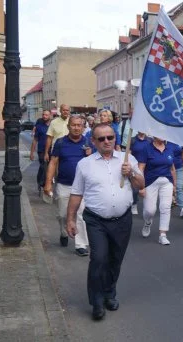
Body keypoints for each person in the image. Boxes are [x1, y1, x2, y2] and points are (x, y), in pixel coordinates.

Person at [66, 123, 144, 321]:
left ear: (115, 138)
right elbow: (76, 193)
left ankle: (110, 293)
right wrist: (71, 219)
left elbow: (141, 185)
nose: (107, 141)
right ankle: (97, 301)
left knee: (115, 260)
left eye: (110, 137)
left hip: (122, 220)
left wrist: (132, 173)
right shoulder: (85, 164)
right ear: (93, 141)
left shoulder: (128, 160)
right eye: (101, 138)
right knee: (99, 259)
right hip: (96, 221)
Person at [43, 115, 91, 255]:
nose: (76, 128)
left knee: (81, 215)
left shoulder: (89, 142)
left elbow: (95, 163)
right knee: (63, 215)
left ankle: (81, 244)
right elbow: (53, 162)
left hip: (83, 187)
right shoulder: (60, 142)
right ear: (69, 126)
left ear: (83, 127)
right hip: (64, 184)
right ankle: (64, 232)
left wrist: (90, 154)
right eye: (74, 125)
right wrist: (48, 183)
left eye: (79, 125)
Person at [137, 137, 178, 245]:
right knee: (150, 210)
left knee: (165, 207)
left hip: (167, 181)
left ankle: (163, 235)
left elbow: (172, 168)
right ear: (154, 135)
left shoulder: (169, 149)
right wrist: (141, 186)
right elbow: (141, 168)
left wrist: (174, 185)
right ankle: (147, 222)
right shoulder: (147, 148)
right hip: (150, 181)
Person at [129, 132, 151, 215]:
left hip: (147, 166)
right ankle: (134, 204)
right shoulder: (133, 140)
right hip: (135, 166)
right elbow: (129, 153)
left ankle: (148, 206)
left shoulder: (149, 140)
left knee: (148, 187)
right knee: (135, 188)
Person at [30, 109, 51, 194]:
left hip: (51, 150)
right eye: (43, 115)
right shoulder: (39, 126)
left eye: (46, 115)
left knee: (49, 168)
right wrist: (31, 153)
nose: (44, 116)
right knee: (44, 166)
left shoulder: (52, 126)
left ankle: (44, 182)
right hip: (41, 150)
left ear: (50, 116)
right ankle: (42, 184)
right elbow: (35, 140)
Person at [167, 141, 183, 218]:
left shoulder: (179, 140)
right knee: (168, 187)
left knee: (179, 187)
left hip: (179, 168)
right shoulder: (165, 141)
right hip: (167, 168)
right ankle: (167, 204)